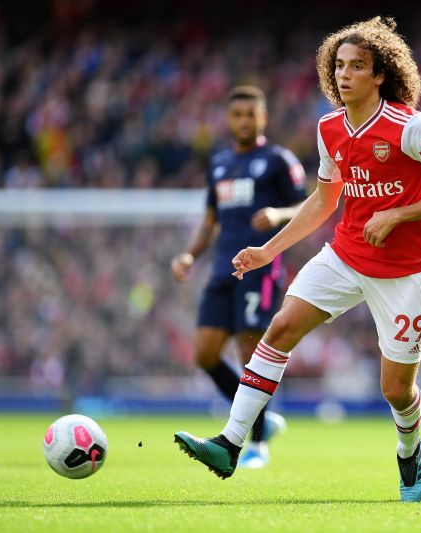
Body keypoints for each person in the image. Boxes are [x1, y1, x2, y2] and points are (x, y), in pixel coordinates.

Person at [174, 17, 421, 502]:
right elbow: (323, 200)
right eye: (338, 65)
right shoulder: (329, 126)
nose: (344, 74)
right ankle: (230, 443)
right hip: (347, 253)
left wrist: (397, 214)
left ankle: (409, 448)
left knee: (396, 390)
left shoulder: (412, 127)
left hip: (410, 268)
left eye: (358, 66)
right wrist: (268, 250)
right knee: (280, 328)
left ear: (380, 75)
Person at [170, 85, 306, 469]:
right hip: (221, 271)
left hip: (260, 269)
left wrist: (279, 215)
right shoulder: (219, 164)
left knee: (251, 354)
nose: (244, 120)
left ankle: (258, 442)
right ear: (228, 119)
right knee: (206, 354)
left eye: (251, 114)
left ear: (263, 118)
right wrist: (188, 255)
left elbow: (309, 203)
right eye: (237, 114)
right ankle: (258, 418)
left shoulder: (279, 160)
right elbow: (209, 221)